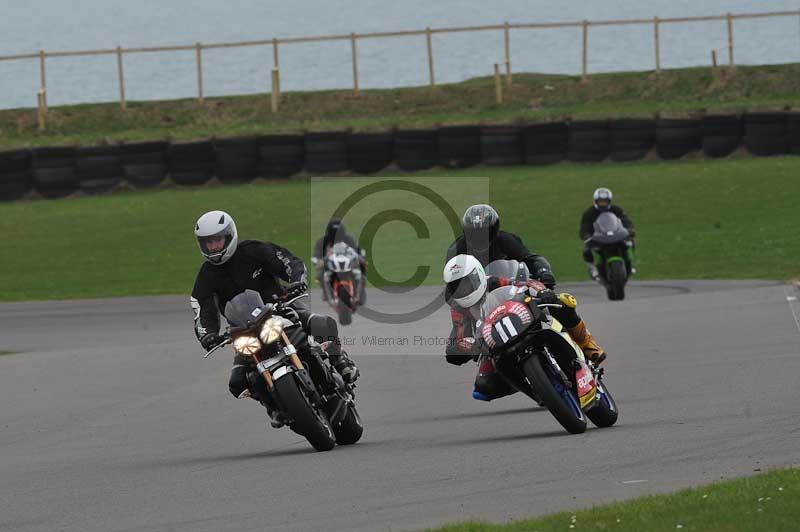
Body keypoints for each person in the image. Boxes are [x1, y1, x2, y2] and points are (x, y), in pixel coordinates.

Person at [190, 210, 359, 426]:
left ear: (230, 235)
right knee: (238, 382)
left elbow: (288, 262)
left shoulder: (254, 250)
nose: (213, 247)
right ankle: (272, 405)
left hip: (280, 309)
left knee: (321, 323)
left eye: (217, 240)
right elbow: (202, 311)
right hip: (245, 330)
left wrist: (297, 280)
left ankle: (339, 360)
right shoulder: (206, 277)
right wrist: (208, 335)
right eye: (208, 243)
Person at [443, 254, 606, 402]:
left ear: (477, 275)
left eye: (465, 284)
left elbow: (524, 284)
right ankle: (536, 390)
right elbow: (460, 336)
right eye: (456, 287)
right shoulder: (458, 306)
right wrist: (472, 346)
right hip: (495, 340)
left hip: (521, 317)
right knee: (484, 386)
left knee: (562, 303)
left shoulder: (491, 281)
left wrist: (542, 292)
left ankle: (587, 344)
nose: (462, 290)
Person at [580, 187, 635, 280]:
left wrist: (630, 229)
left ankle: (630, 263)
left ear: (609, 201)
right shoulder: (589, 212)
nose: (603, 203)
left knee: (630, 242)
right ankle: (593, 268)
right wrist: (586, 235)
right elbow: (585, 226)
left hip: (616, 235)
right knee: (587, 249)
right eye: (601, 201)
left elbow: (625, 220)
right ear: (595, 201)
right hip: (598, 238)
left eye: (605, 201)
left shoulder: (616, 209)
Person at [311, 219, 367, 302]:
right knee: (320, 274)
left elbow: (357, 251)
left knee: (361, 269)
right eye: (334, 234)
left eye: (338, 233)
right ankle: (326, 291)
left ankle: (360, 289)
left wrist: (360, 257)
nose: (336, 237)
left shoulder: (349, 239)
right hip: (330, 264)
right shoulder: (322, 242)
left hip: (348, 263)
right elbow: (316, 256)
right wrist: (318, 261)